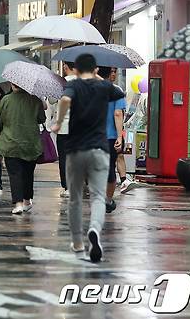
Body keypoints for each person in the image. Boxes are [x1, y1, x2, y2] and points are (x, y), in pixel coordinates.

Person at [51, 54, 125, 263]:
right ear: (94, 69)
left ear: (75, 69)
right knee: (99, 197)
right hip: (100, 149)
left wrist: (58, 122)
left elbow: (65, 100)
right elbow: (119, 92)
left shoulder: (73, 86)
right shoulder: (104, 87)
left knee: (75, 198)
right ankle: (94, 229)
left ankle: (77, 242)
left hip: (75, 150)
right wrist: (99, 79)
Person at [0, 84, 45, 214]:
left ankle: (18, 204)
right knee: (28, 173)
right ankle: (27, 201)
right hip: (30, 143)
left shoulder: (6, 100)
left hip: (10, 142)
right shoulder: (35, 99)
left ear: (12, 84)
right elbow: (42, 119)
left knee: (15, 174)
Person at [97, 66, 126, 214]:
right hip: (109, 137)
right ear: (110, 73)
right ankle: (107, 200)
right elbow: (117, 114)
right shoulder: (117, 92)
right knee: (109, 169)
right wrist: (120, 136)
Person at [55, 62, 77, 198]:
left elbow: (51, 101)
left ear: (65, 67)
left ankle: (67, 187)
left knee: (64, 159)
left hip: (63, 128)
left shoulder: (60, 84)